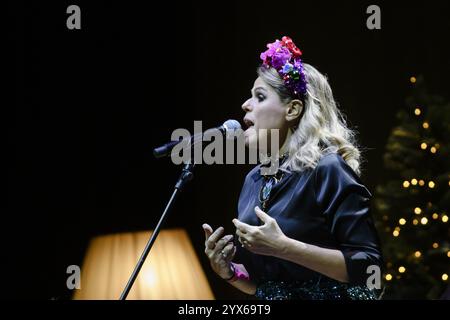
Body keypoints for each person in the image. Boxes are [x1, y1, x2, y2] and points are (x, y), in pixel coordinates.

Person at [202, 36, 383, 300]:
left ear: (293, 109)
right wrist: (230, 273)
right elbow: (272, 287)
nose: (245, 105)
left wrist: (285, 247)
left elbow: (371, 271)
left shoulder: (327, 168)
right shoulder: (254, 180)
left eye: (259, 96)